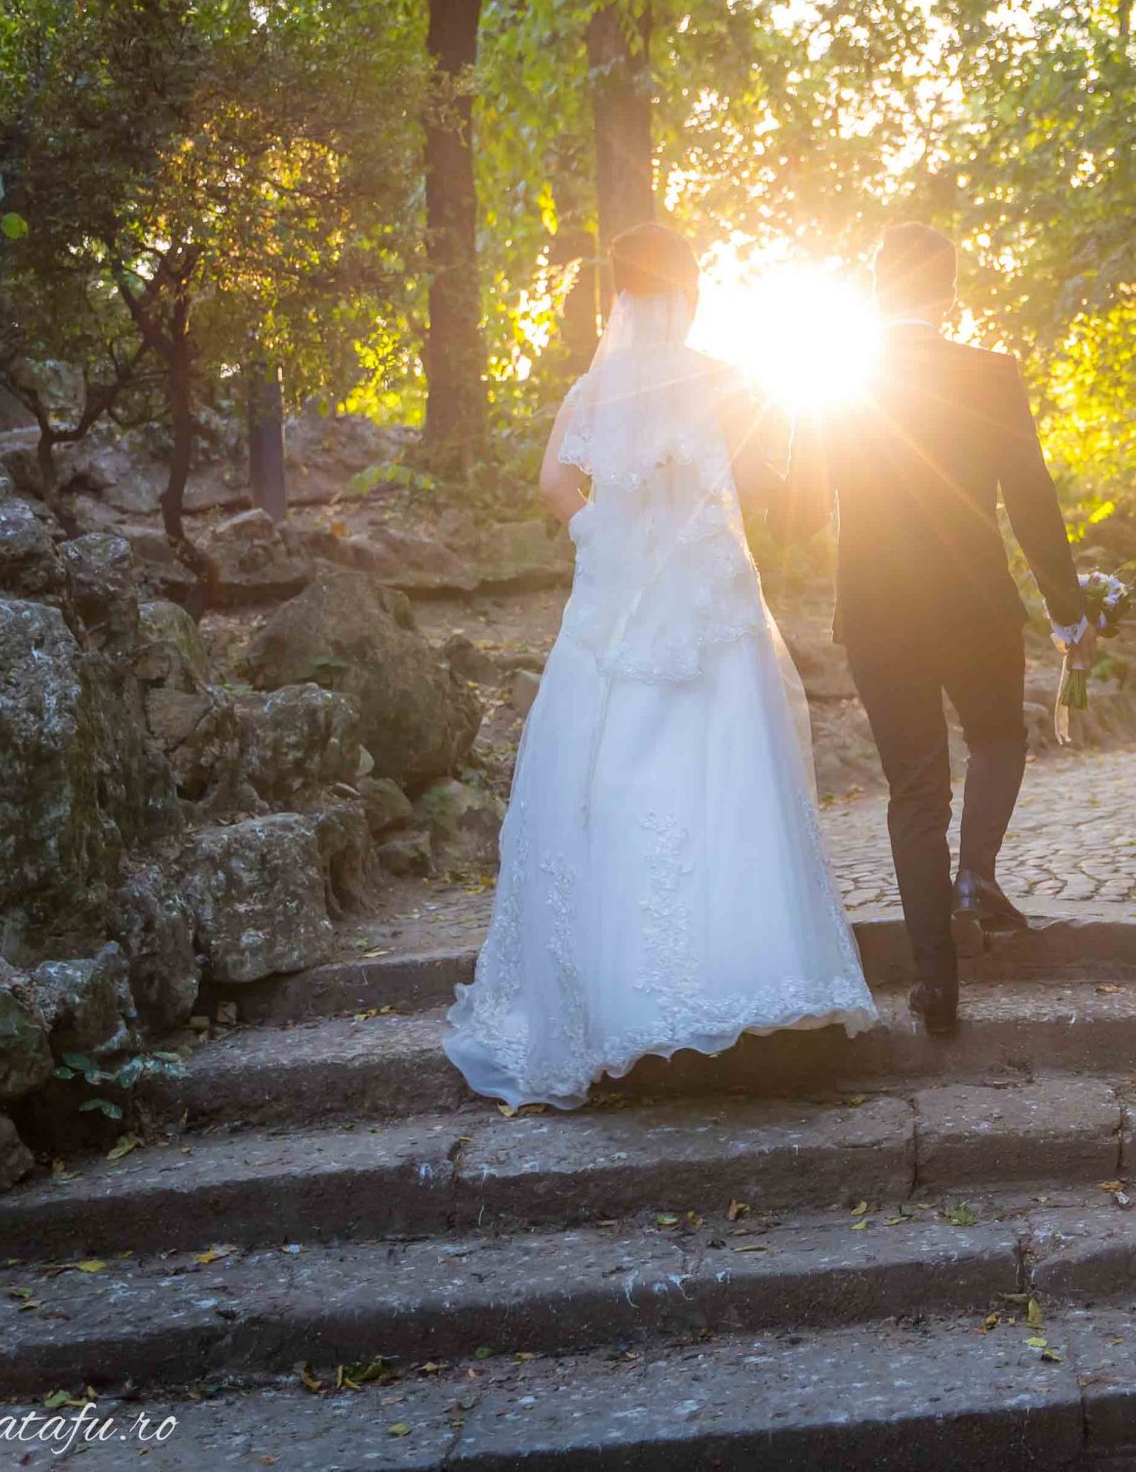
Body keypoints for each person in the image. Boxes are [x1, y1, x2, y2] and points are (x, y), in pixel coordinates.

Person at [443, 222, 877, 1108]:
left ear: (618, 291)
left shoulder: (591, 390)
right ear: (688, 289)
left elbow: (552, 483)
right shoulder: (716, 378)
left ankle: (620, 1000)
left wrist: (602, 535)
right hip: (711, 611)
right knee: (731, 778)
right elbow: (757, 479)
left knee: (610, 786)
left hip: (618, 610)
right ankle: (748, 983)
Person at [786, 223, 1089, 1038]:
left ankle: (937, 987)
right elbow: (1032, 497)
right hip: (977, 606)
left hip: (879, 618)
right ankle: (975, 877)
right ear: (950, 294)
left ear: (879, 291)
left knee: (915, 793)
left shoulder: (837, 384)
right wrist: (1066, 604)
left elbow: (802, 511)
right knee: (997, 738)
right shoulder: (991, 374)